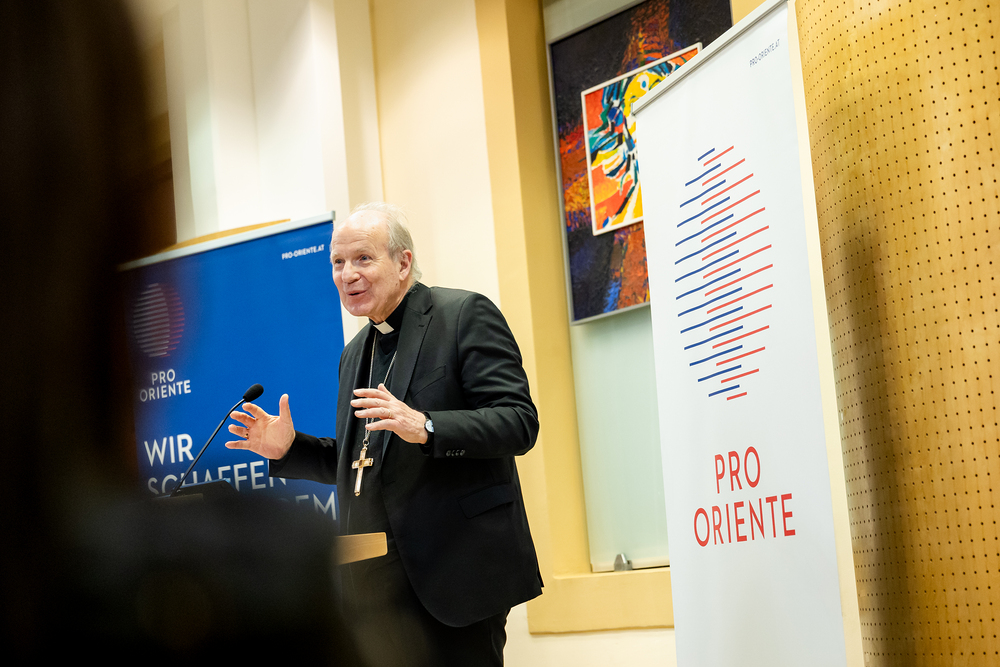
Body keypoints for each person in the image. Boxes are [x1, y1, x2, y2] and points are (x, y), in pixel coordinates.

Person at [226, 202, 543, 666]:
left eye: (363, 259)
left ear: (403, 263)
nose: (347, 274)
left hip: (455, 575)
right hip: (376, 591)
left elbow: (518, 421)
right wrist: (290, 450)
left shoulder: (462, 315)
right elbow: (363, 462)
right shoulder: (355, 352)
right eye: (337, 262)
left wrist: (427, 426)